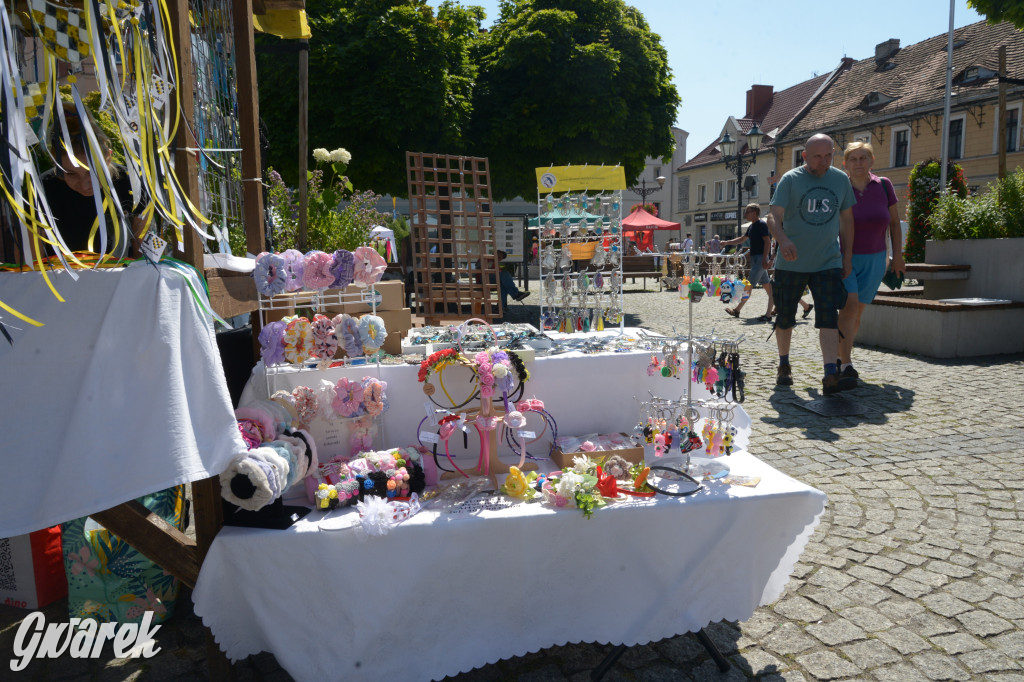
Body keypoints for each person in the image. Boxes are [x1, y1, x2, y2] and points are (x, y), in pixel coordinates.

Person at [766, 133, 854, 395]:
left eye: (829, 155)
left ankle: (830, 372)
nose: (824, 161)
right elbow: (772, 216)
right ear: (805, 156)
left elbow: (847, 220)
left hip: (828, 261)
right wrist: (783, 240)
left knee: (828, 316)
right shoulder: (791, 180)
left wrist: (847, 257)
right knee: (785, 317)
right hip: (791, 263)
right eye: (818, 156)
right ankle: (784, 363)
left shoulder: (840, 180)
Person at [837, 141, 906, 390]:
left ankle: (840, 354)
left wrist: (897, 255)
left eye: (863, 158)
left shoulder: (884, 185)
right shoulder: (840, 186)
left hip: (877, 259)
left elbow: (895, 224)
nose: (858, 163)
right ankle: (845, 363)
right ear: (845, 163)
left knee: (857, 314)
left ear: (872, 161)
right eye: (853, 159)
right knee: (850, 306)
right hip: (846, 258)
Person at [39, 104, 141, 259]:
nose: (86, 184)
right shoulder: (42, 190)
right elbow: (29, 267)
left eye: (93, 172)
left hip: (121, 280)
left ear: (108, 158)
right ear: (57, 166)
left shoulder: (130, 183)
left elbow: (147, 256)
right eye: (71, 174)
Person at [721, 204, 774, 321]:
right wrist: (727, 242)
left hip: (760, 259)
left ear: (754, 212)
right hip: (756, 259)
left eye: (747, 212)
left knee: (748, 286)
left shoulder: (761, 225)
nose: (745, 214)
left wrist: (765, 259)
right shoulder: (752, 226)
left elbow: (768, 242)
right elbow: (742, 239)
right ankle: (803, 306)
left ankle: (737, 310)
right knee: (767, 286)